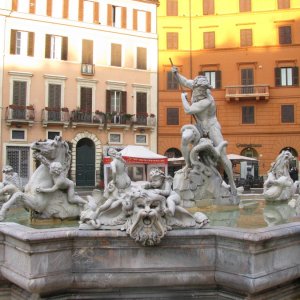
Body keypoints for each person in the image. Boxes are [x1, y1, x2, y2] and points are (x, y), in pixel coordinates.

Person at [171, 66, 237, 195]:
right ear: (195, 86)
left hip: (212, 126)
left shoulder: (208, 100)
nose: (201, 91)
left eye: (203, 89)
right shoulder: (195, 86)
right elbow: (183, 81)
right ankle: (188, 165)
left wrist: (183, 98)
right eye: (199, 89)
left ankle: (232, 184)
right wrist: (176, 74)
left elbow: (188, 110)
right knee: (185, 138)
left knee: (222, 154)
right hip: (199, 126)